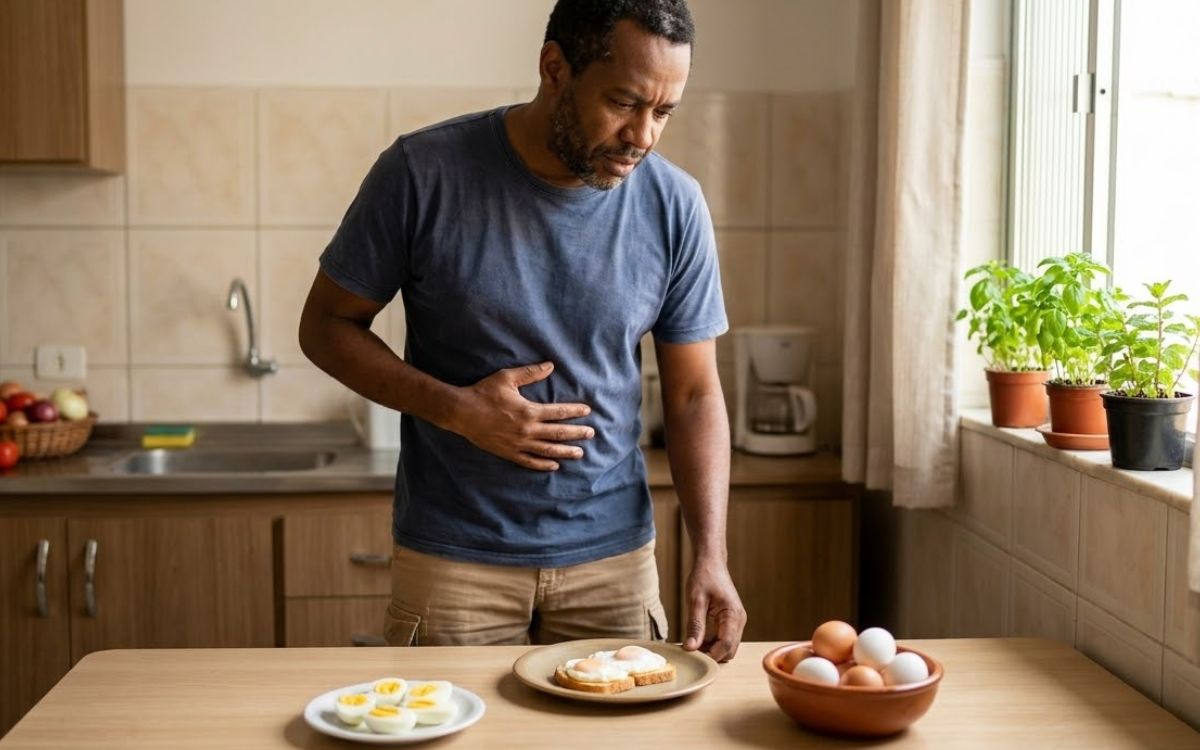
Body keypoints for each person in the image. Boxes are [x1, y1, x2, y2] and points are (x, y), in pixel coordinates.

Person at [298, 0, 746, 662]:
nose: (644, 135)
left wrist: (711, 555)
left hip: (615, 560)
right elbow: (326, 327)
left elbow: (693, 397)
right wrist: (455, 409)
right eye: (624, 102)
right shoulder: (423, 173)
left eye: (663, 112)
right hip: (455, 559)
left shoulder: (674, 204)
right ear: (554, 68)